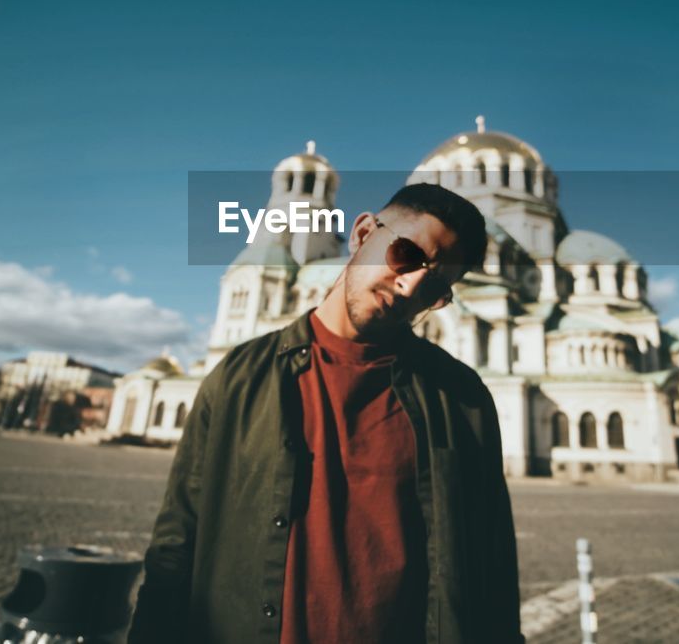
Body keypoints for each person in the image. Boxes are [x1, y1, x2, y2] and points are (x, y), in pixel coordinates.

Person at [127, 183, 524, 644]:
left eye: (435, 287)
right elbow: (177, 545)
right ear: (361, 234)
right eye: (405, 255)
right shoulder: (239, 377)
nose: (410, 284)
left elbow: (492, 567)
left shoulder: (460, 398)